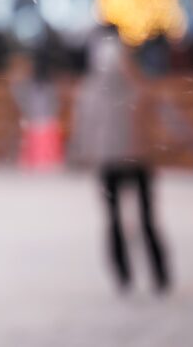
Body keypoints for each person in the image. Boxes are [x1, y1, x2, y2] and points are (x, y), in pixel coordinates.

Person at [69, 28, 171, 294]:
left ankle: (127, 275)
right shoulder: (133, 85)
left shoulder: (95, 87)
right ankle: (155, 274)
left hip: (117, 159)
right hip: (134, 158)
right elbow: (157, 113)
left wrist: (81, 151)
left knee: (118, 219)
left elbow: (83, 124)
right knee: (143, 219)